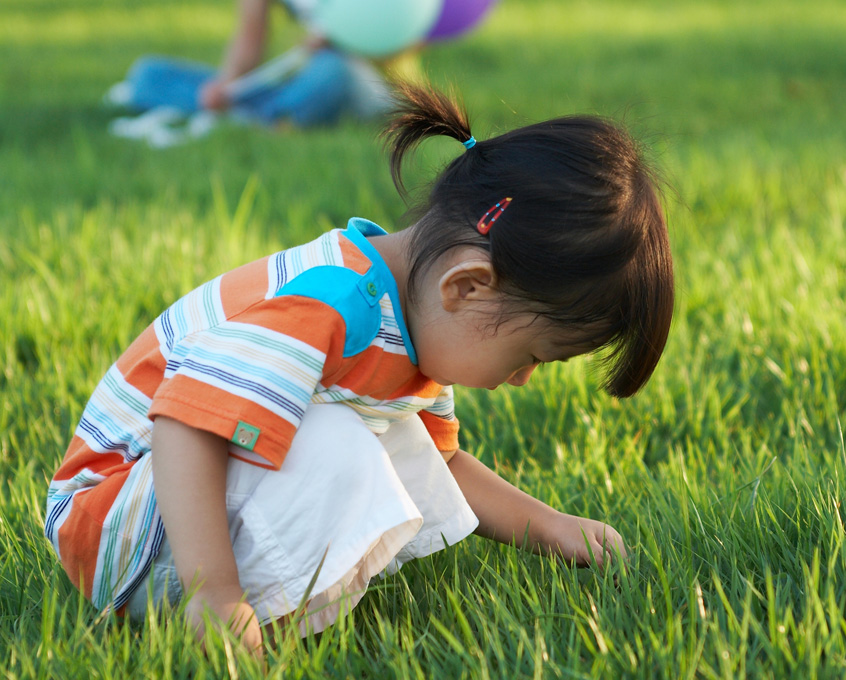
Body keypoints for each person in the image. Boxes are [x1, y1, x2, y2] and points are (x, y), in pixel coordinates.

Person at [44, 82, 675, 652]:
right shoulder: (332, 303)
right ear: (467, 287)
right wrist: (215, 592)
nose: (521, 379)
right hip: (117, 524)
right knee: (339, 438)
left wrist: (552, 528)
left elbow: (440, 464)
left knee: (388, 436)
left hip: (159, 510)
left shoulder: (415, 326)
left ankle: (269, 614)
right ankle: (228, 621)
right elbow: (186, 424)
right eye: (530, 356)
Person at [107, 0, 397, 128]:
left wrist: (346, 38)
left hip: (356, 79)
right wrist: (227, 86)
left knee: (331, 72)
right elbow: (250, 40)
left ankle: (254, 115)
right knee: (148, 75)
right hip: (297, 81)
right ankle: (262, 115)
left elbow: (399, 42)